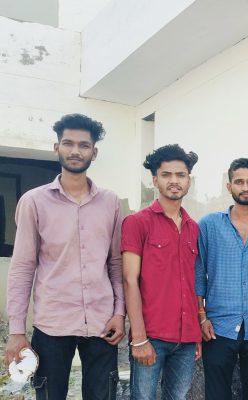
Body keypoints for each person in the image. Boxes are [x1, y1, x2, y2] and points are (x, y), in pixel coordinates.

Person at [5, 113, 124, 400]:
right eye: (68, 143)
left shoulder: (110, 202)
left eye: (84, 145)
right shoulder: (34, 201)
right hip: (52, 323)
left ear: (94, 152)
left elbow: (115, 263)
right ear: (56, 147)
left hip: (102, 323)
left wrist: (119, 313)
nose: (75, 151)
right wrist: (16, 331)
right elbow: (22, 267)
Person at [122, 144, 202, 400]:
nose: (174, 181)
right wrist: (138, 338)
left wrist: (196, 334)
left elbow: (194, 282)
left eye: (180, 175)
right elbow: (129, 281)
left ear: (189, 181)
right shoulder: (137, 222)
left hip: (186, 339)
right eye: (166, 175)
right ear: (155, 180)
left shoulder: (194, 228)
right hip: (151, 336)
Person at [195, 158, 248, 399]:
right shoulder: (209, 225)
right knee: (216, 394)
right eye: (239, 182)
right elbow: (198, 273)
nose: (245, 187)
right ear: (229, 186)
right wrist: (201, 317)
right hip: (218, 326)